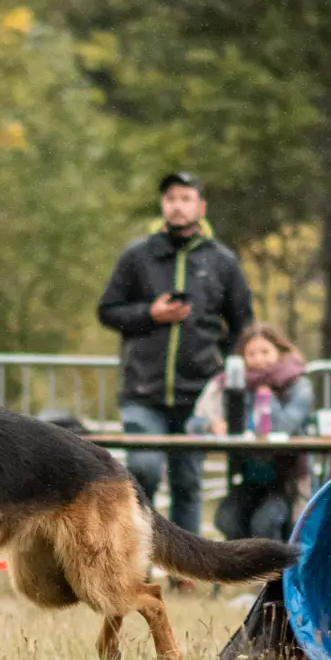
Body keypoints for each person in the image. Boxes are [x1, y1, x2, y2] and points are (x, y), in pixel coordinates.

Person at [96, 171, 253, 537]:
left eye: (185, 198)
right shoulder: (137, 256)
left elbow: (243, 325)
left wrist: (224, 378)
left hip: (197, 393)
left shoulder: (223, 261)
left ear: (200, 206)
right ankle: (139, 557)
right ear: (163, 205)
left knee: (187, 480)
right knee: (144, 471)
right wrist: (149, 314)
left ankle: (185, 566)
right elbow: (107, 310)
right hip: (142, 392)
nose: (177, 206)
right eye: (170, 199)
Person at [187, 323, 313, 544]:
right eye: (251, 353)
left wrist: (267, 398)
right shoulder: (231, 384)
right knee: (227, 519)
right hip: (248, 477)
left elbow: (285, 427)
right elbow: (193, 424)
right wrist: (212, 425)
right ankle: (242, 572)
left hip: (286, 479)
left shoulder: (298, 384)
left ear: (280, 352)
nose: (259, 359)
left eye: (265, 352)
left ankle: (273, 576)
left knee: (265, 522)